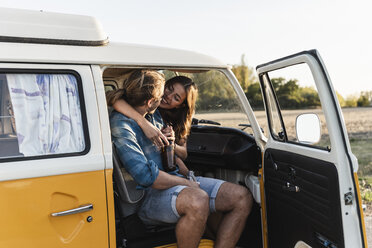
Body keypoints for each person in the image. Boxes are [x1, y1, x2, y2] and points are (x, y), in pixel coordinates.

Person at [109, 70, 253, 248]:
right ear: (150, 101)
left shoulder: (152, 114)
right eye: (163, 93)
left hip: (175, 180)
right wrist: (187, 184)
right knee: (198, 200)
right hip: (148, 197)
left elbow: (119, 100)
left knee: (241, 197)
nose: (166, 98)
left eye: (174, 97)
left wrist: (166, 140)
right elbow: (147, 177)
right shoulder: (122, 126)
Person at [108, 75, 197, 176]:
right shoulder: (147, 107)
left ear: (181, 105)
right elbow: (115, 100)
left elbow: (183, 154)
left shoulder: (177, 120)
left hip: (170, 169)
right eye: (169, 89)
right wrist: (144, 123)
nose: (168, 96)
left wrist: (170, 142)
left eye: (176, 98)